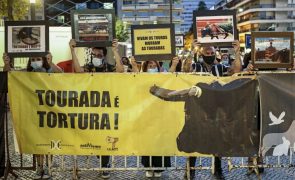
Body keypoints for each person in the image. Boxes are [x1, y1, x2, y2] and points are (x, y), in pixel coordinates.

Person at [185, 39, 242, 179]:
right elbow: (186, 69)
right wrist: (192, 51)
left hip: (217, 109)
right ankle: (190, 170)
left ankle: (218, 169)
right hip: (198, 109)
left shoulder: (221, 68)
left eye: (211, 52)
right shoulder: (196, 66)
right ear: (201, 54)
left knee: (218, 139)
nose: (209, 54)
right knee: (195, 139)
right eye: (207, 52)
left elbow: (236, 70)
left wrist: (237, 52)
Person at [3, 52, 62, 180]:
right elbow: (10, 74)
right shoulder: (26, 72)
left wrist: (51, 61)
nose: (36, 61)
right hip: (34, 113)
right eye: (33, 59)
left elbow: (61, 74)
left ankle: (48, 166)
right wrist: (6, 64)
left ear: (43, 59)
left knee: (48, 139)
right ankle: (40, 166)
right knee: (37, 140)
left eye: (38, 59)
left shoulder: (49, 69)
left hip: (49, 113)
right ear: (30, 61)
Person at [69, 38, 123, 179]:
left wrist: (115, 51)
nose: (96, 58)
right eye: (94, 55)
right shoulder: (88, 66)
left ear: (104, 56)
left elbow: (121, 70)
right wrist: (72, 50)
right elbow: (78, 71)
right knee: (95, 138)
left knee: (105, 138)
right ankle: (100, 161)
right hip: (91, 109)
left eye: (99, 55)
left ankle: (105, 165)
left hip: (107, 109)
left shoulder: (109, 67)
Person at [135, 57, 179, 178]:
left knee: (160, 139)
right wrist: (134, 64)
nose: (152, 67)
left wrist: (174, 63)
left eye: (154, 65)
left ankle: (159, 167)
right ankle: (148, 166)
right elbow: (135, 77)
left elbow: (169, 76)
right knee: (147, 139)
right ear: (145, 67)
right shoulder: (141, 76)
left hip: (161, 113)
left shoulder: (163, 75)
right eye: (149, 65)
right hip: (146, 113)